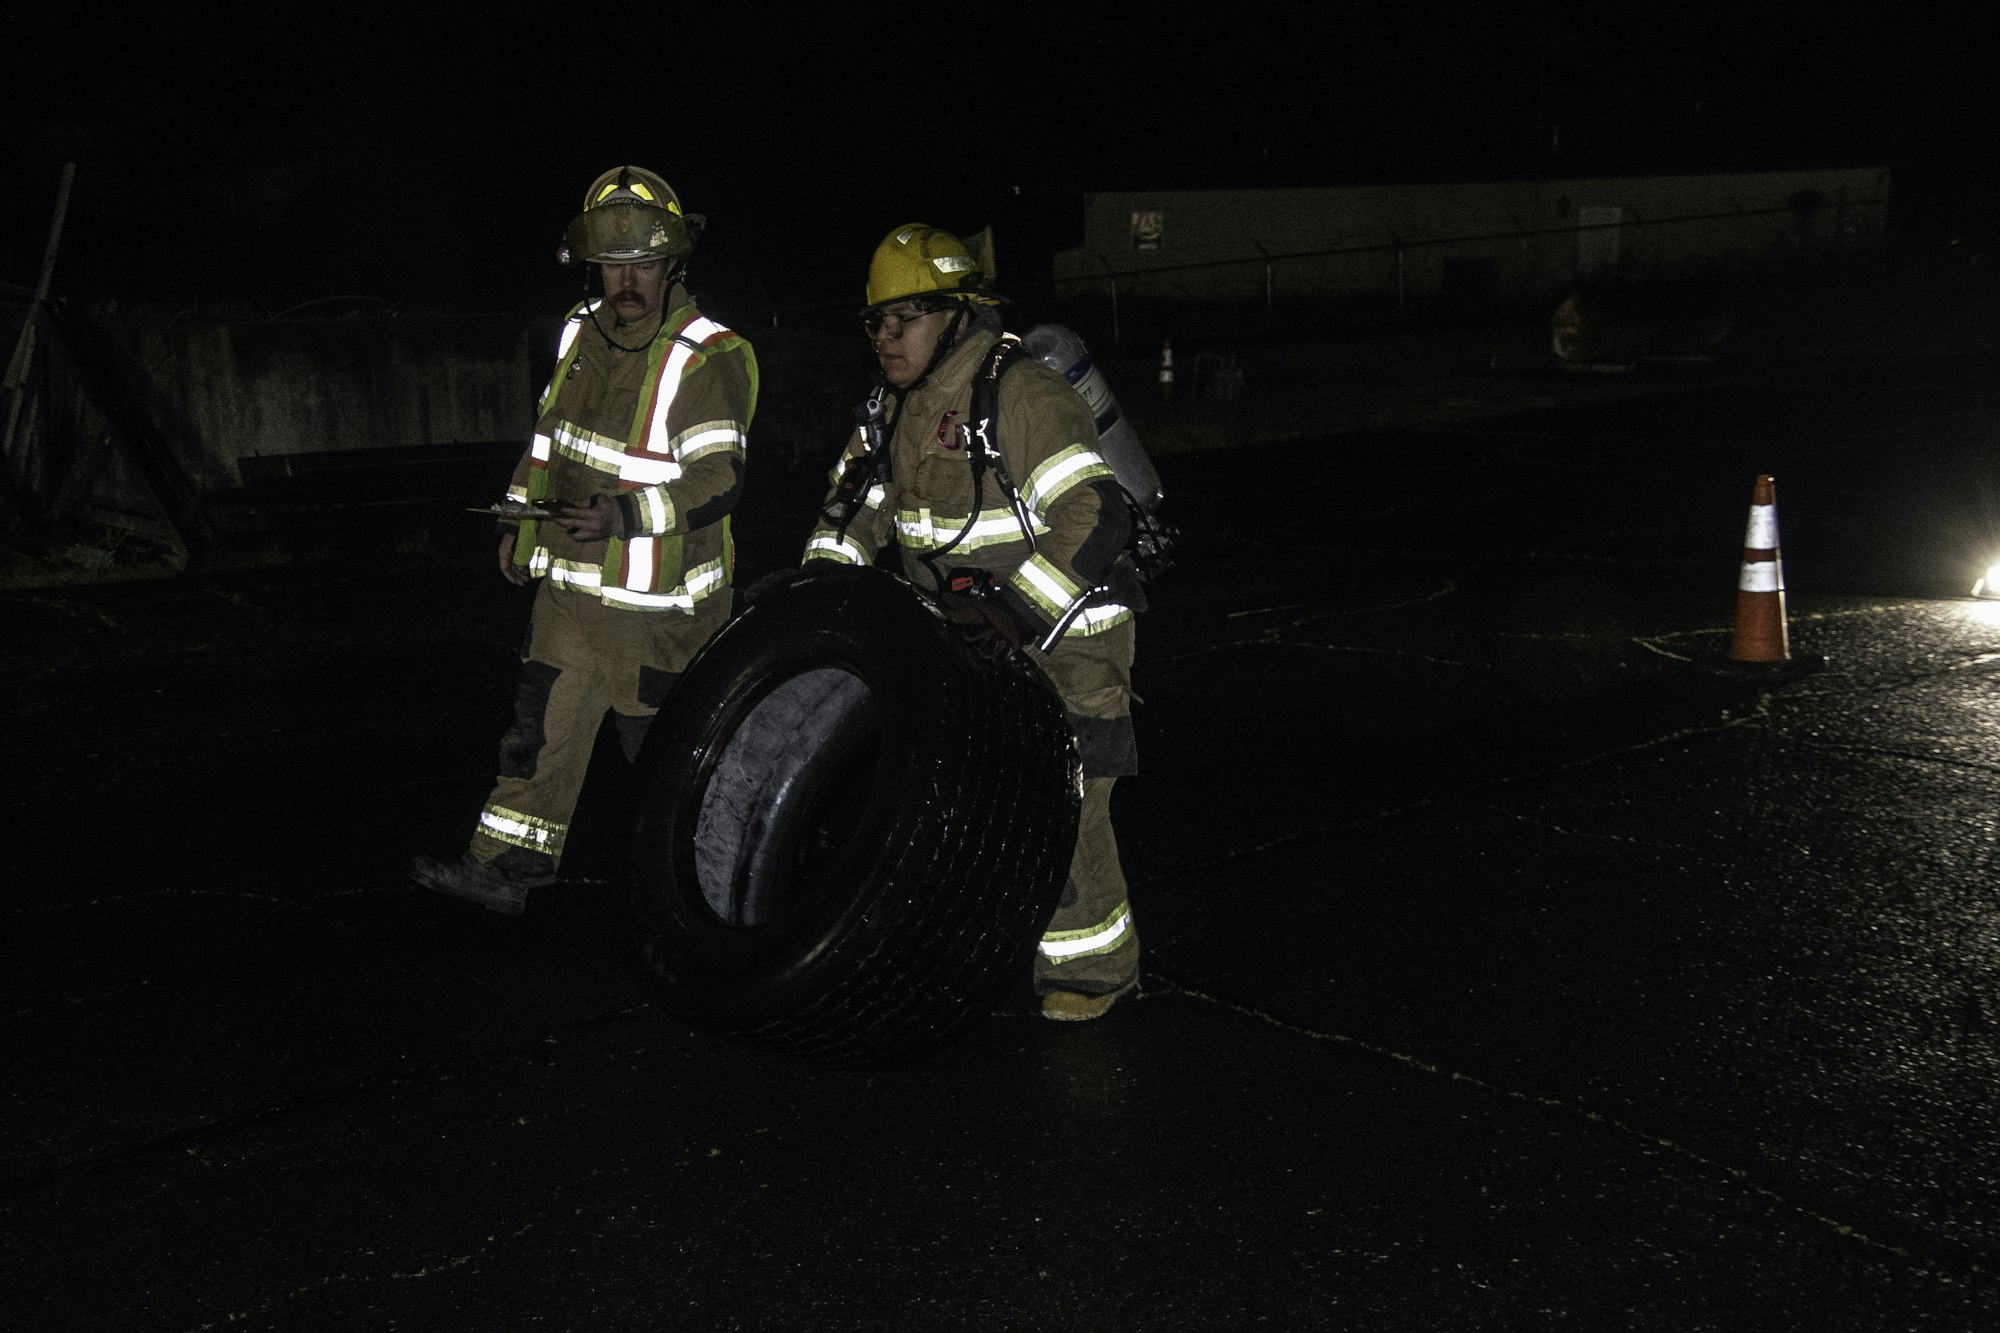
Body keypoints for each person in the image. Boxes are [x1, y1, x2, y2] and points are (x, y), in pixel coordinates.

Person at [802, 224, 1141, 1021]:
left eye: (904, 318)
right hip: (969, 638)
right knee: (982, 800)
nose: (885, 338)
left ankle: (1097, 969)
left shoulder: (1019, 393)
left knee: (1067, 800)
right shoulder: (889, 410)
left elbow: (1097, 517)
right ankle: (999, 946)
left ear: (956, 315)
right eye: (875, 323)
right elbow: (854, 512)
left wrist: (1015, 609)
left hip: (1071, 635)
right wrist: (818, 595)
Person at [410, 166, 758, 914]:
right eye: (612, 262)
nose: (625, 280)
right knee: (542, 734)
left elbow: (719, 482)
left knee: (677, 760)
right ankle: (502, 868)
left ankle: (724, 897)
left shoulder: (707, 354)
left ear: (674, 263)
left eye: (642, 263)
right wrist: (515, 515)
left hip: (658, 612)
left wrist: (623, 516)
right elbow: (551, 443)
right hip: (569, 588)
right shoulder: (579, 329)